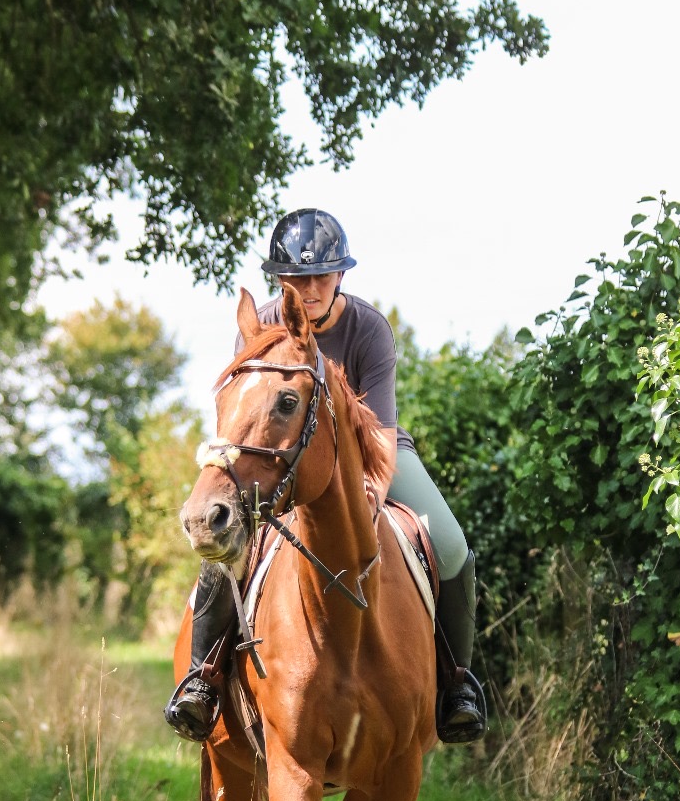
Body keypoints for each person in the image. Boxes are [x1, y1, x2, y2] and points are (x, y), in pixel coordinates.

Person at [165, 207, 487, 745]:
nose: (309, 288)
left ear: (341, 275)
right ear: (280, 280)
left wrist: (375, 490)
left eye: (321, 275)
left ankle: (456, 687)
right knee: (229, 548)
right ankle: (202, 679)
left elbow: (381, 427)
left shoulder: (369, 330)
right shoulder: (262, 324)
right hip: (285, 460)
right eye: (297, 278)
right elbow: (246, 415)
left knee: (451, 547)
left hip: (373, 454)